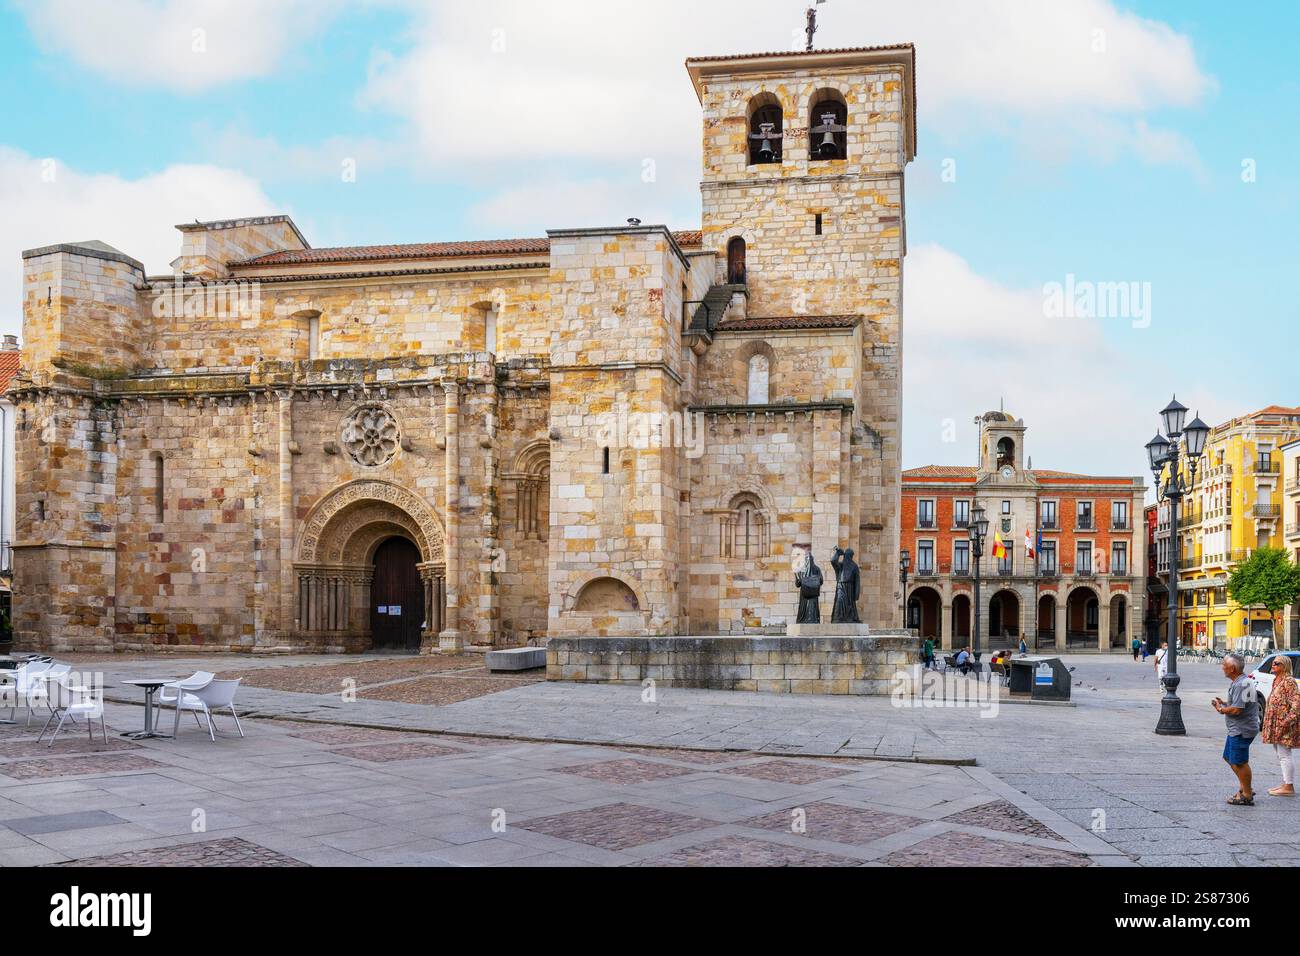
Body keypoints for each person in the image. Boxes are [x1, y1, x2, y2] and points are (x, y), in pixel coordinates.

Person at [1213, 652, 1260, 806]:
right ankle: (1245, 786)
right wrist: (1226, 703)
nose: (1222, 667)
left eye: (1224, 665)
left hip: (1242, 729)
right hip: (1240, 728)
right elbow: (1242, 703)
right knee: (1229, 757)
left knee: (1239, 762)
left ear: (1232, 668)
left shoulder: (1241, 683)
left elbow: (1237, 710)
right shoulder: (1243, 681)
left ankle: (1246, 794)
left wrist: (1221, 709)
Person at [1261, 655, 1300, 797]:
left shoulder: (1289, 681)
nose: (1273, 665)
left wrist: (1287, 721)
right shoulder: (1276, 680)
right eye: (1273, 663)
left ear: (1284, 666)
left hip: (1283, 723)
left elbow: (1296, 703)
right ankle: (1285, 782)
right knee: (1279, 752)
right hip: (1275, 723)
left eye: (1276, 663)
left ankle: (1288, 786)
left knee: (1285, 754)